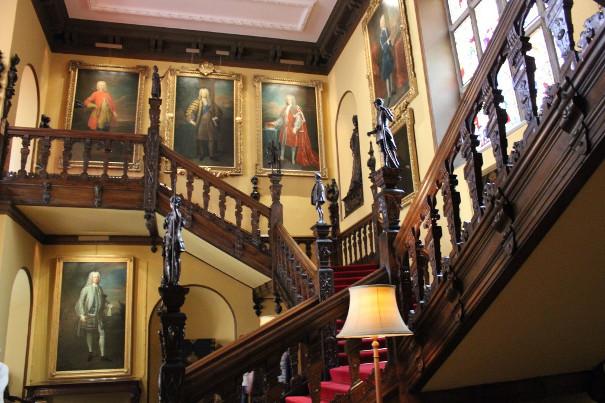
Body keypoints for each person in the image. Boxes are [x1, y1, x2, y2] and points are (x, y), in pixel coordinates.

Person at [268, 94, 319, 168]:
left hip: (292, 129)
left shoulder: (295, 108)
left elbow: (299, 119)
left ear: (292, 100)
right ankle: (282, 156)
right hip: (284, 128)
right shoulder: (284, 108)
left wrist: (295, 128)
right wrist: (274, 123)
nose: (288, 101)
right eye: (287, 99)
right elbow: (281, 119)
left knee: (293, 145)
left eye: (289, 99)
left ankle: (293, 159)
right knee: (282, 143)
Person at [75, 271, 112, 362]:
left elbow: (103, 300)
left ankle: (103, 355)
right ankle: (90, 352)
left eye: (98, 277)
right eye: (95, 277)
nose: (96, 279)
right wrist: (82, 314)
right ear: (91, 278)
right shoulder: (86, 289)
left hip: (99, 315)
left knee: (102, 333)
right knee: (89, 333)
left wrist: (108, 305)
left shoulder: (100, 289)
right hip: (89, 315)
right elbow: (80, 302)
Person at [185, 88, 222, 161]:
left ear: (207, 93)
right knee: (200, 138)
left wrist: (216, 117)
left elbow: (218, 111)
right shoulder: (197, 102)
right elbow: (190, 111)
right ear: (200, 93)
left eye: (205, 93)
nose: (204, 94)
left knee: (211, 139)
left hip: (210, 122)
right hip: (201, 123)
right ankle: (202, 154)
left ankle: (212, 155)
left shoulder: (211, 102)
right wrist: (191, 120)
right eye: (202, 92)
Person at [367, 98, 399, 168]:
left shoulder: (384, 110)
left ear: (377, 104)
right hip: (380, 135)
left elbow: (391, 119)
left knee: (390, 147)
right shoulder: (378, 115)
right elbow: (378, 128)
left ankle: (395, 162)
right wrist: (371, 132)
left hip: (385, 132)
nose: (375, 107)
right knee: (383, 150)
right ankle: (386, 164)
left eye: (375, 105)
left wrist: (386, 111)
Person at [378, 14, 395, 105]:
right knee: (387, 75)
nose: (384, 23)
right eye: (383, 22)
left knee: (391, 72)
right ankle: (389, 94)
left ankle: (392, 90)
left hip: (389, 55)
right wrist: (388, 41)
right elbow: (383, 47)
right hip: (385, 57)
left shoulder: (387, 30)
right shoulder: (381, 35)